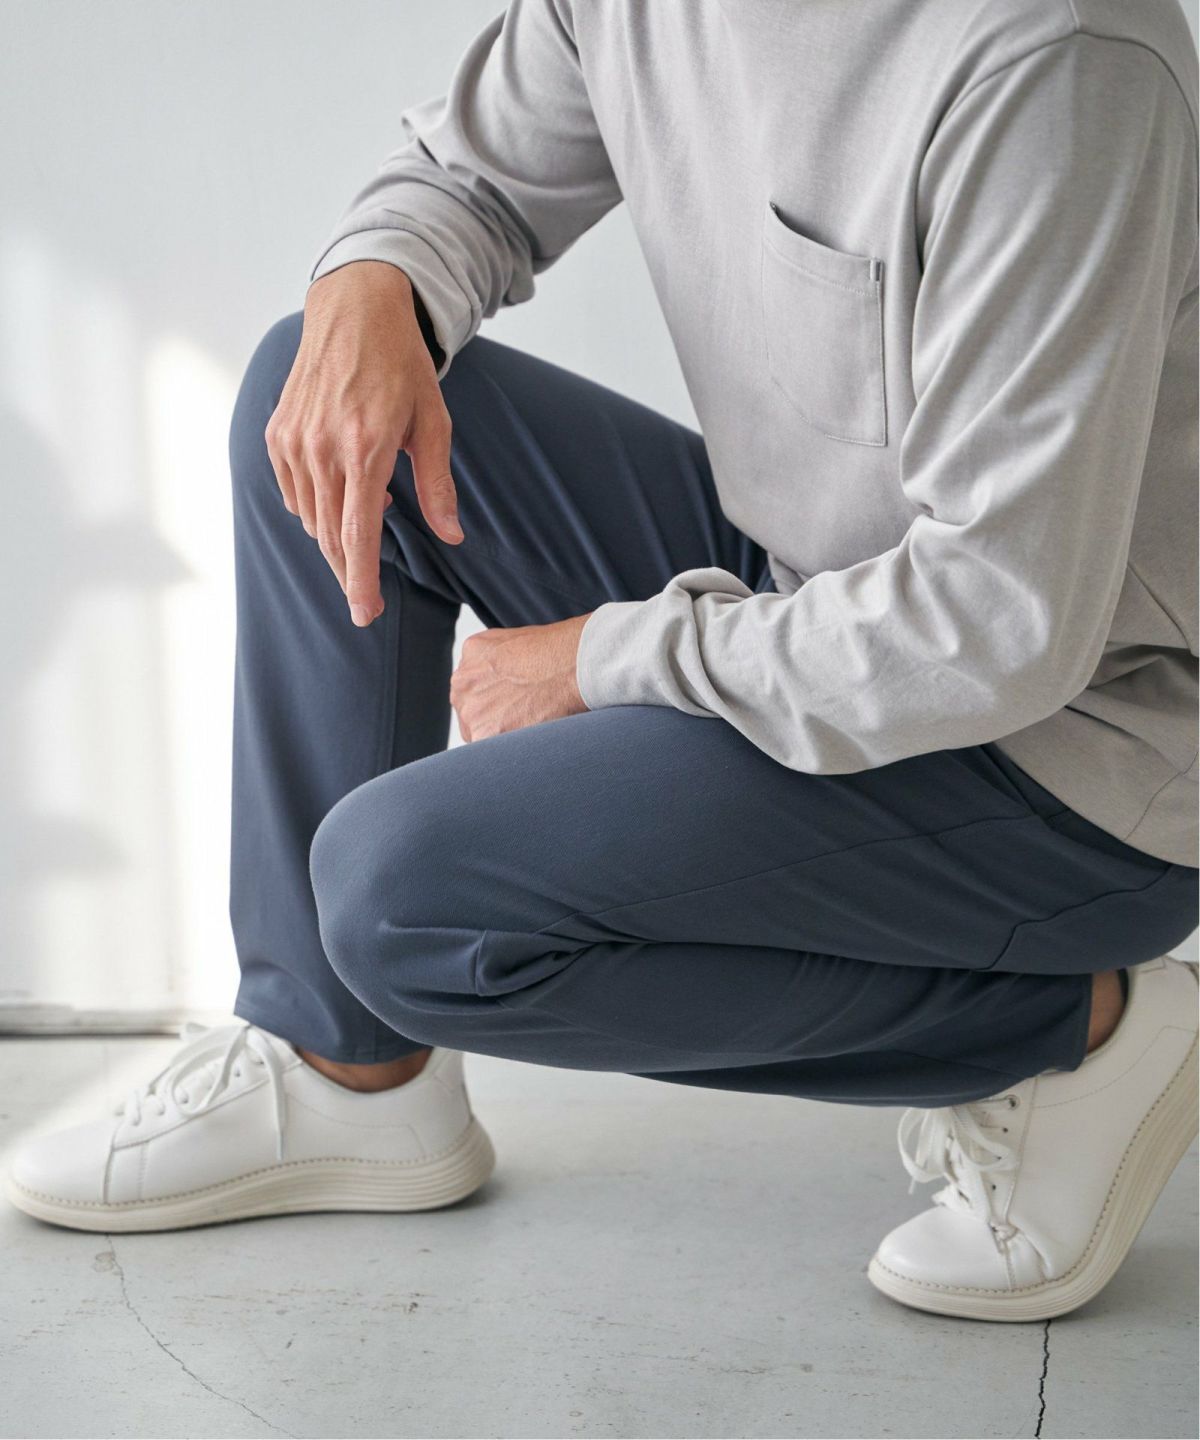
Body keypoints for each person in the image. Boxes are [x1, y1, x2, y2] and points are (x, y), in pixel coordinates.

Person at [6, 0, 1198, 1323]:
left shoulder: (1057, 61)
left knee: (408, 904)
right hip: (813, 592)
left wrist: (608, 659)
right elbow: (469, 176)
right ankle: (346, 1076)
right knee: (324, 394)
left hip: (1073, 757)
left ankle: (1080, 1031)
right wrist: (374, 278)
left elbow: (995, 621)